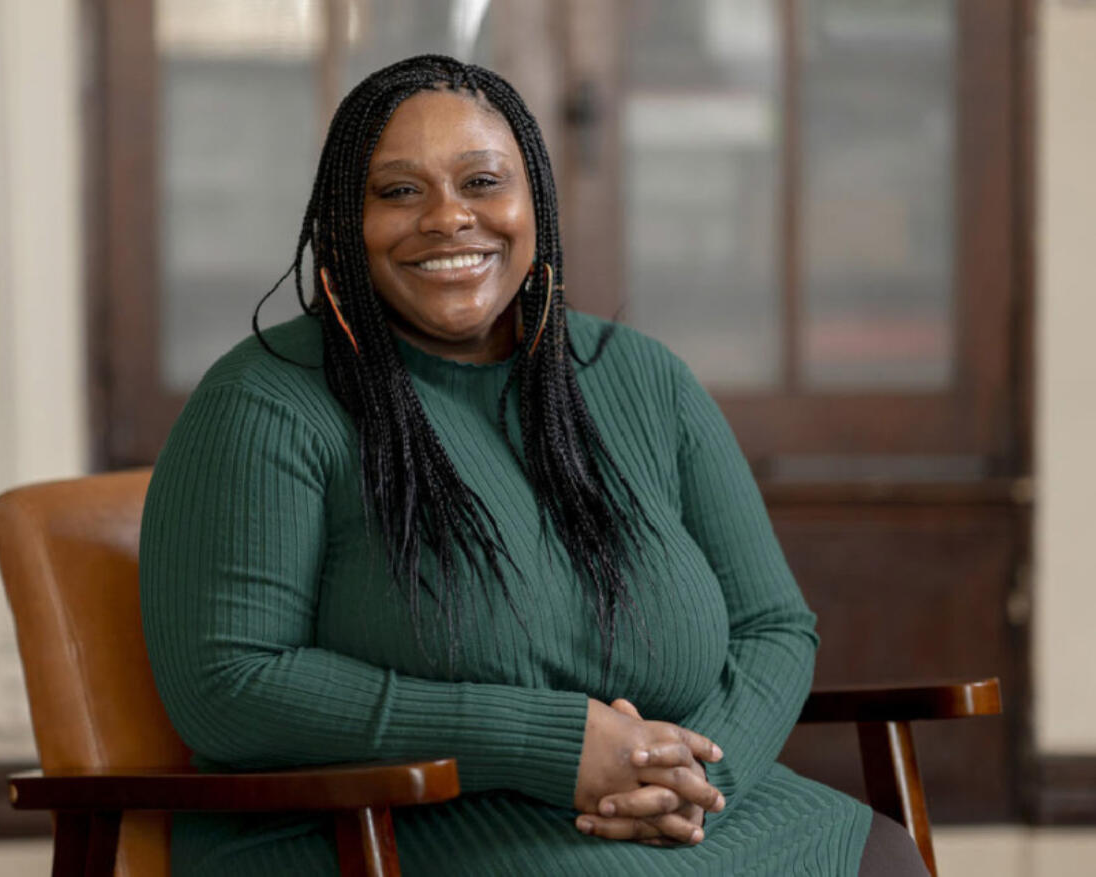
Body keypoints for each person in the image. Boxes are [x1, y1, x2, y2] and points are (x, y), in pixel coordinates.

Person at [140, 54, 927, 876]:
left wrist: (695, 775)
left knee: (875, 855)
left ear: (534, 204)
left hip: (685, 814)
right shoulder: (265, 400)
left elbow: (772, 624)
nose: (448, 218)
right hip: (396, 822)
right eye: (400, 191)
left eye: (482, 182)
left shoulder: (642, 378)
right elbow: (227, 685)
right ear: (344, 219)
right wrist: (549, 743)